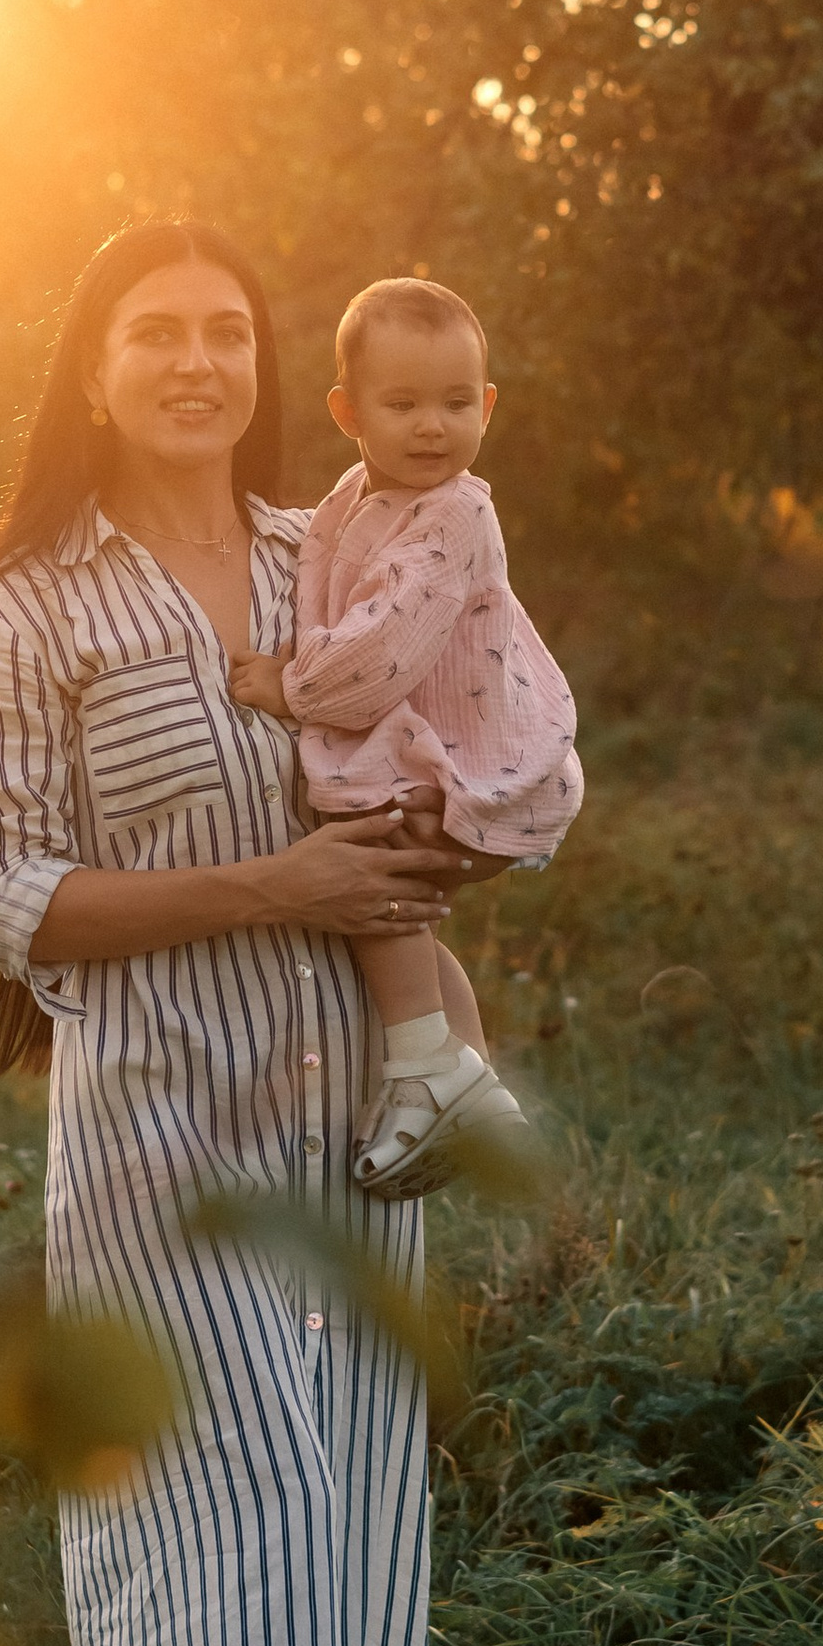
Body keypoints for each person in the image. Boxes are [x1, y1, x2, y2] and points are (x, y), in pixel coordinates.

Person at [0, 221, 507, 1646]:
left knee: (315, 1530)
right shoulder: (30, 609)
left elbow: (418, 785)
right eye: (152, 332)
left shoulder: (338, 548)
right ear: (93, 369)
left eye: (222, 332)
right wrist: (278, 883)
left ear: (265, 366)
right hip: (163, 1136)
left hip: (349, 1120)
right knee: (238, 1511)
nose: (191, 359)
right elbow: (10, 896)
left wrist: (438, 918)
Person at [228, 275, 580, 1200]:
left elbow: (381, 652)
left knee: (371, 859)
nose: (434, 426)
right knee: (408, 918)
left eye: (458, 403)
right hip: (419, 741)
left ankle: (424, 1062)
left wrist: (289, 682)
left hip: (458, 754)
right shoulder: (351, 498)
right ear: (348, 411)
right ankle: (472, 1083)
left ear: (489, 405)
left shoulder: (457, 511)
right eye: (404, 403)